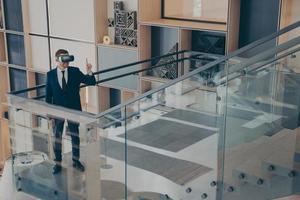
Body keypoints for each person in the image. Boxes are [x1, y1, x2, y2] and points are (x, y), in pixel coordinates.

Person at [46, 49, 96, 174]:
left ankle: (76, 161)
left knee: (75, 136)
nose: (66, 63)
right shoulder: (50, 75)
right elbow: (48, 96)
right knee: (57, 137)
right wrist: (50, 115)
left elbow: (91, 81)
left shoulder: (75, 71)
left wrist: (89, 70)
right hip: (57, 112)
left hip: (74, 110)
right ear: (57, 60)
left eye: (68, 60)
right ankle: (57, 163)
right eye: (64, 60)